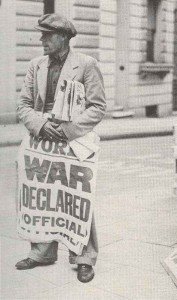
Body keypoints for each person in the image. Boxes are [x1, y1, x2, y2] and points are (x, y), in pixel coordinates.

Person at [15, 13, 106, 283]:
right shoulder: (36, 65)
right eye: (41, 34)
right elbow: (24, 105)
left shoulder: (86, 64)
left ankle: (84, 257)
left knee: (76, 197)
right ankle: (42, 251)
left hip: (73, 140)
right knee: (40, 195)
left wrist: (66, 130)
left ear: (64, 37)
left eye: (47, 35)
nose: (41, 39)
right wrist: (41, 126)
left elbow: (97, 106)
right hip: (41, 139)